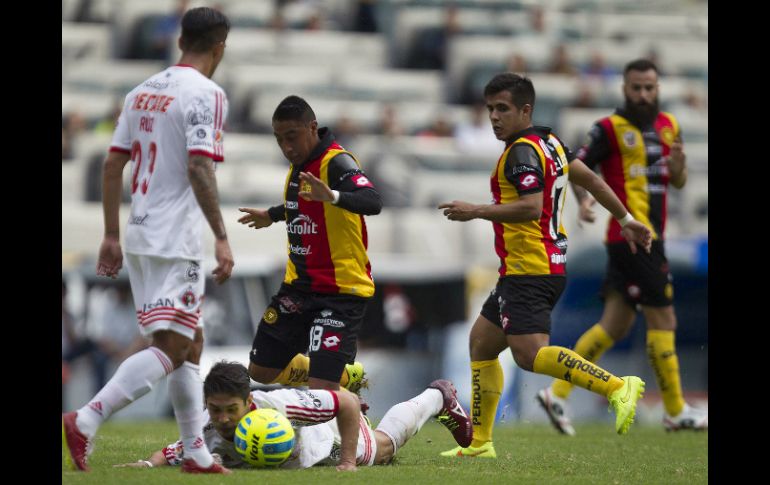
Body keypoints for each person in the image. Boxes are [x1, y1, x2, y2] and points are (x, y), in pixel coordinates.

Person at [437, 73, 653, 458]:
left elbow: (530, 207)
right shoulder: (550, 142)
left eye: (503, 109)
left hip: (530, 269)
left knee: (530, 355)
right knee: (482, 343)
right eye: (490, 109)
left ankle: (618, 387)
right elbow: (592, 181)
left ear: (525, 110)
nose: (494, 117)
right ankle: (480, 443)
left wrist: (476, 211)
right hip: (534, 266)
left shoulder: (521, 152)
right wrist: (625, 219)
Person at [62, 7, 234, 474]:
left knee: (190, 342)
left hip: (139, 233)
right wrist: (221, 237)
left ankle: (195, 452)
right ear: (219, 48)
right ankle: (86, 418)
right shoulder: (207, 94)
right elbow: (199, 166)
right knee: (173, 347)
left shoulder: (140, 92)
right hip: (175, 240)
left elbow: (111, 164)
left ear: (180, 41)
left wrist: (110, 235)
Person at [536, 59, 708, 436]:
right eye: (636, 88)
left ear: (657, 88)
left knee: (614, 325)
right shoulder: (609, 129)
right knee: (664, 319)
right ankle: (675, 410)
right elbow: (576, 166)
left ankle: (557, 393)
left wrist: (679, 166)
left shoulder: (669, 125)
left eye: (649, 87)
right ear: (625, 89)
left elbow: (677, 181)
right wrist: (583, 200)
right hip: (632, 239)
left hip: (649, 238)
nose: (643, 94)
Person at [237, 95, 381, 393]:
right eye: (279, 139)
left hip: (340, 293)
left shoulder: (336, 161)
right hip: (298, 289)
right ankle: (344, 377)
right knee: (261, 371)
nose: (286, 147)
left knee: (322, 392)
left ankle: (335, 381)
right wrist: (272, 215)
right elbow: (302, 204)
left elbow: (372, 201)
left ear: (312, 128)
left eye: (292, 136)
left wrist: (333, 196)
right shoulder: (300, 165)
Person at [114, 361, 473, 471]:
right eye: (215, 409)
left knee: (383, 450)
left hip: (325, 436)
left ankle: (436, 397)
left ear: (248, 402)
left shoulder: (280, 405)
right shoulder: (207, 427)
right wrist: (144, 466)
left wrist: (348, 462)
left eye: (230, 410)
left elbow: (346, 404)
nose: (222, 419)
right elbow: (171, 452)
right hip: (312, 432)